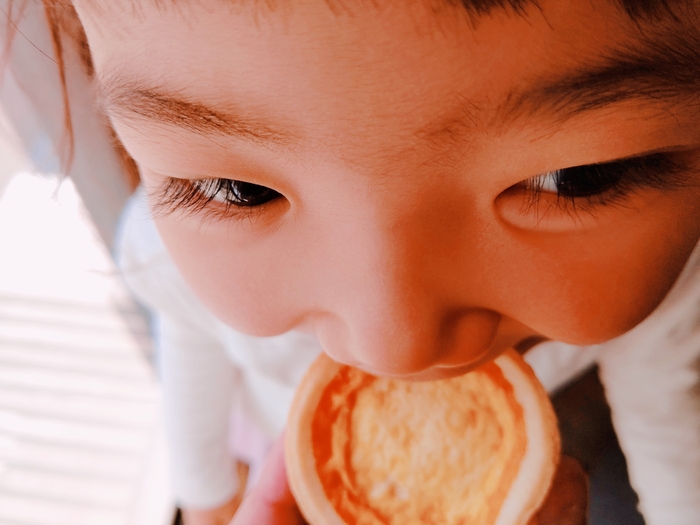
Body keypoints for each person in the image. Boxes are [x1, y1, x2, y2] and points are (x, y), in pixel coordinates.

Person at [19, 0, 700, 523]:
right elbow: (191, 354)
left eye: (573, 178)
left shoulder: (673, 282)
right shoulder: (160, 250)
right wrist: (205, 498)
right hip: (271, 438)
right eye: (240, 191)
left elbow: (671, 425)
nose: (392, 345)